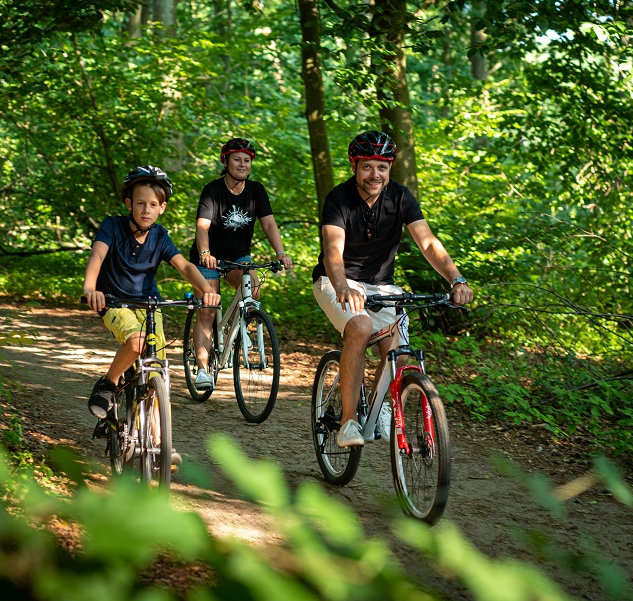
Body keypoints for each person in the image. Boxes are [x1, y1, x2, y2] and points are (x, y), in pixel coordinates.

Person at [312, 130, 473, 447]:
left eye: (382, 167)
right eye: (368, 167)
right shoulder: (338, 199)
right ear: (354, 165)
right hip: (335, 280)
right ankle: (348, 422)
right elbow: (333, 249)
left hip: (382, 286)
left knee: (399, 351)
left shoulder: (400, 196)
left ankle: (379, 406)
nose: (375, 175)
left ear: (390, 168)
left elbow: (427, 242)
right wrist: (343, 285)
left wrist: (456, 279)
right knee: (359, 326)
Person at [82, 165, 220, 434]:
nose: (146, 210)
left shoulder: (160, 237)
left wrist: (207, 290)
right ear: (129, 204)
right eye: (140, 203)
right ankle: (108, 383)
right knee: (136, 342)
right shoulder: (113, 226)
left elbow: (184, 266)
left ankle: (158, 446)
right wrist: (90, 288)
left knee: (156, 375)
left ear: (162, 207)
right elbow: (97, 256)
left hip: (149, 303)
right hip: (114, 301)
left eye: (153, 204)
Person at [188, 137, 293, 390]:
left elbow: (268, 223)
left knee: (253, 290)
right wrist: (205, 252)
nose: (242, 164)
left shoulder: (256, 190)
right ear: (226, 161)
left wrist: (280, 252)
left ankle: (231, 331)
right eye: (237, 159)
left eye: (247, 160)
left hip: (238, 257)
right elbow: (202, 226)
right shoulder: (212, 190)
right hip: (209, 258)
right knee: (208, 309)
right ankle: (202, 369)